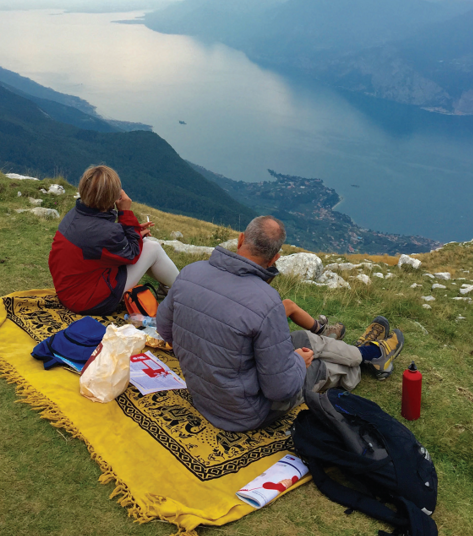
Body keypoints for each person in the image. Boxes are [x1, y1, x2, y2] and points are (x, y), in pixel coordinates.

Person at [156, 215, 404, 432]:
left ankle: (363, 353)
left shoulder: (190, 273)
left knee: (303, 339)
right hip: (247, 412)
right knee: (320, 366)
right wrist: (297, 361)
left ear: (241, 240)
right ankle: (368, 357)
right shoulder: (265, 301)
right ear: (275, 258)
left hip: (203, 397)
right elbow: (281, 390)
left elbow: (165, 330)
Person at [49, 165, 179, 315]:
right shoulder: (104, 231)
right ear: (113, 197)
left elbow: (103, 242)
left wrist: (134, 232)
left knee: (145, 244)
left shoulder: (76, 214)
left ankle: (168, 287)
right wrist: (125, 212)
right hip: (88, 301)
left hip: (69, 291)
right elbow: (132, 253)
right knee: (152, 248)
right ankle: (184, 290)